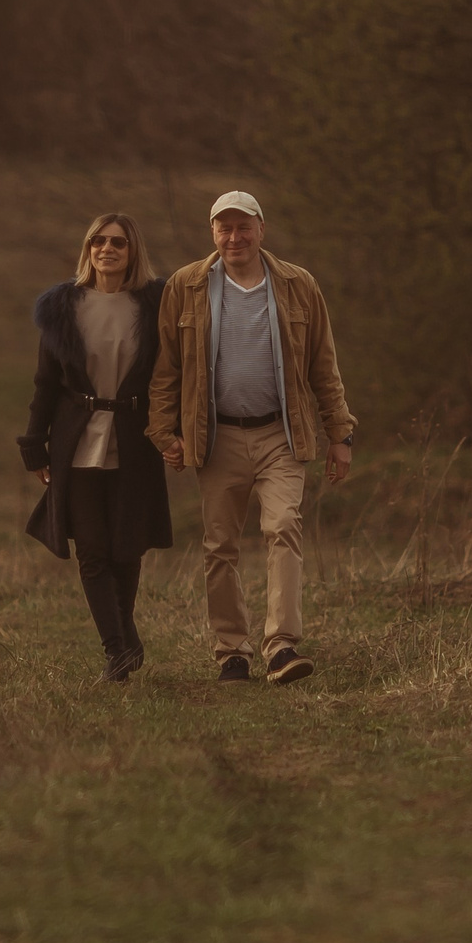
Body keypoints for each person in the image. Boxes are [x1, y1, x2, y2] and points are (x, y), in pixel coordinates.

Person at [147, 191, 355, 684]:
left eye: (244, 227)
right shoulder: (187, 285)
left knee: (283, 526)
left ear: (262, 229)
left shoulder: (297, 284)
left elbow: (323, 365)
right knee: (220, 544)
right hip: (216, 436)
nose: (234, 237)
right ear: (212, 233)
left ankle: (281, 647)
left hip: (280, 434)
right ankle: (231, 651)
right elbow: (166, 369)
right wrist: (164, 433)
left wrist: (340, 434)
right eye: (225, 228)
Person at [19, 213, 175, 680]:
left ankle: (125, 635)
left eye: (118, 243)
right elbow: (46, 384)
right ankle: (117, 651)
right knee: (92, 551)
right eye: (98, 242)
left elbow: (173, 378)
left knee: (127, 549)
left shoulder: (155, 306)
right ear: (87, 250)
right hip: (76, 442)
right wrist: (35, 445)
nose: (106, 249)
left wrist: (177, 432)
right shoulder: (62, 308)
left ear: (132, 252)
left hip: (135, 439)